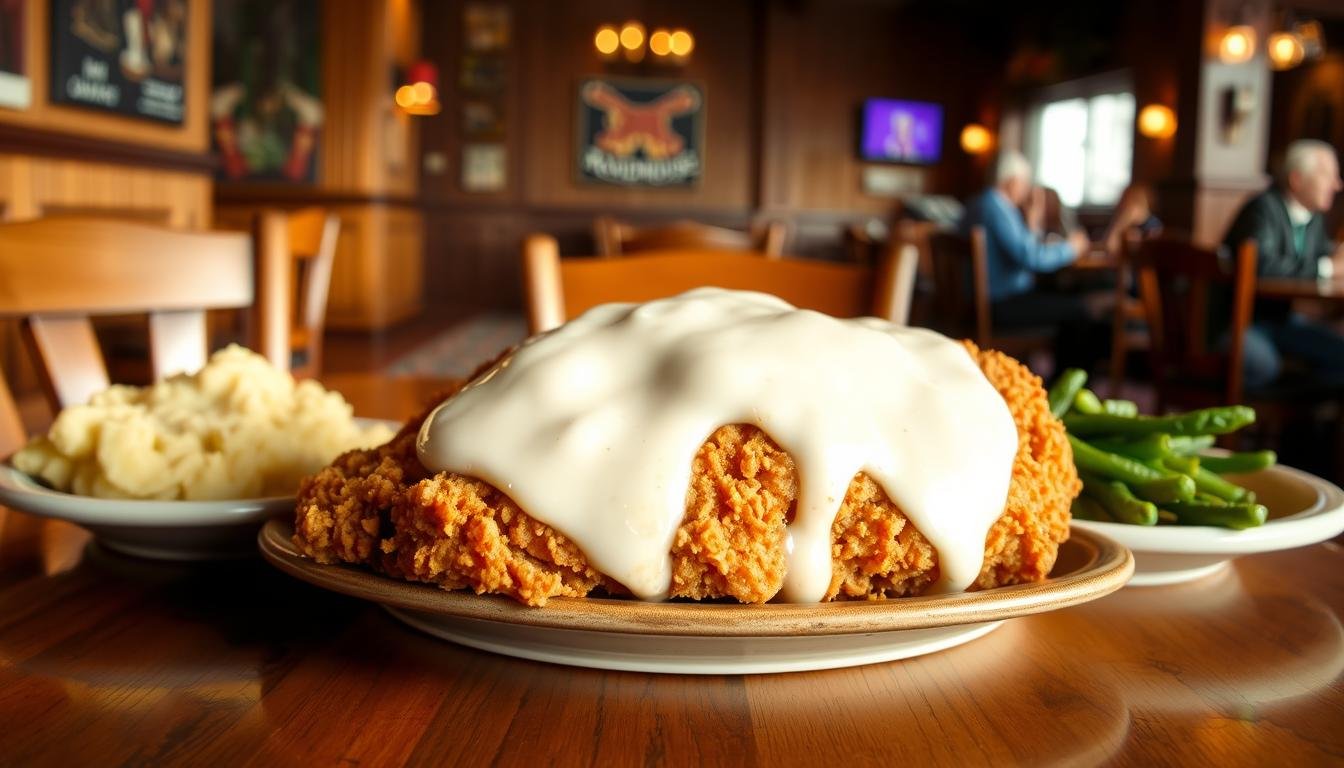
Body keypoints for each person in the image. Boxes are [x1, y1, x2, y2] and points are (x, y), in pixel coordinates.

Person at [959, 150, 1102, 372]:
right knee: (1079, 310)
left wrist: (1032, 222)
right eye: (1025, 183)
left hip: (980, 302)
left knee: (1067, 302)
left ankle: (1056, 379)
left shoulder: (978, 203)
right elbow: (1031, 258)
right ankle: (1068, 386)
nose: (1026, 190)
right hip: (1000, 304)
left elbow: (1025, 249)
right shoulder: (997, 208)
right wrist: (1071, 249)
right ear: (1013, 180)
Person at [1221, 139, 1344, 389]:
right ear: (1297, 179)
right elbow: (1261, 266)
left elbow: (1323, 256)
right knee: (1265, 365)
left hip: (1280, 321)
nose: (1337, 184)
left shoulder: (1313, 219)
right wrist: (1328, 268)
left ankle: (1299, 423)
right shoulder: (1262, 208)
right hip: (1238, 321)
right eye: (1327, 175)